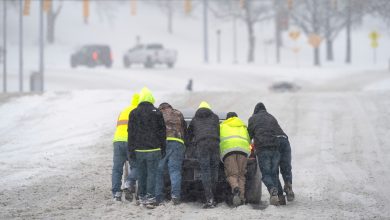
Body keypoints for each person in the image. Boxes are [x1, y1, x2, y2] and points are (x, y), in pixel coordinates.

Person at [128, 87, 166, 208]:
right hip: (154, 149)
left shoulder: (133, 113)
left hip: (139, 150)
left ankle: (141, 197)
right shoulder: (157, 112)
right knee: (152, 174)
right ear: (151, 98)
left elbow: (131, 133)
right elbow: (162, 132)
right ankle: (150, 198)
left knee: (142, 174)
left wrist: (131, 150)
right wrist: (163, 148)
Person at [248, 102, 282, 206]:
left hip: (263, 148)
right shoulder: (272, 117)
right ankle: (278, 198)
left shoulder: (252, 119)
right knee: (274, 173)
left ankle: (272, 190)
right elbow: (279, 133)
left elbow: (249, 135)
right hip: (275, 148)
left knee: (266, 174)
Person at [187, 101, 220, 208]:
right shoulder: (215, 118)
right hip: (215, 144)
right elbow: (218, 132)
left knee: (205, 171)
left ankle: (209, 198)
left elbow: (189, 135)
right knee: (214, 170)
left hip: (202, 145)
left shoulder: (195, 119)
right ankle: (214, 196)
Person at [155, 103, 187, 205]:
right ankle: (175, 196)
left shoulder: (158, 114)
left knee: (158, 170)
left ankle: (159, 197)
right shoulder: (178, 113)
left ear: (161, 108)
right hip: (177, 142)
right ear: (170, 107)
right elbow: (184, 128)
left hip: (162, 143)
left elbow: (154, 129)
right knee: (175, 170)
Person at [219, 112, 251, 207]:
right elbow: (249, 140)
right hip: (243, 151)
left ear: (227, 118)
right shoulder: (243, 126)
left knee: (232, 174)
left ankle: (235, 188)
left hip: (229, 151)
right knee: (241, 175)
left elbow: (218, 140)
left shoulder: (222, 126)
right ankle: (241, 198)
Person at [111, 93, 139, 201]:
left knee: (117, 168)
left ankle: (116, 194)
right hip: (130, 142)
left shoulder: (123, 111)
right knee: (136, 166)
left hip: (117, 141)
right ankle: (129, 184)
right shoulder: (138, 112)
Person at [276, 126, 295, 205]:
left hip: (273, 143)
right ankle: (288, 185)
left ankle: (280, 195)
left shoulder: (256, 122)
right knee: (286, 167)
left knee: (274, 170)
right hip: (284, 140)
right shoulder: (271, 119)